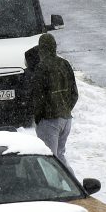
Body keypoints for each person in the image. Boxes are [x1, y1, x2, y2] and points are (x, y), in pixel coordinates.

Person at [26, 33, 78, 170]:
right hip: (66, 119)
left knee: (50, 160)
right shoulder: (64, 64)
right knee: (60, 156)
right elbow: (74, 94)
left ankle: (59, 189)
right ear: (54, 47)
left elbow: (38, 96)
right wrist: (65, 109)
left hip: (49, 120)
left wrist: (38, 117)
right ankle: (73, 185)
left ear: (41, 49)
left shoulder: (42, 67)